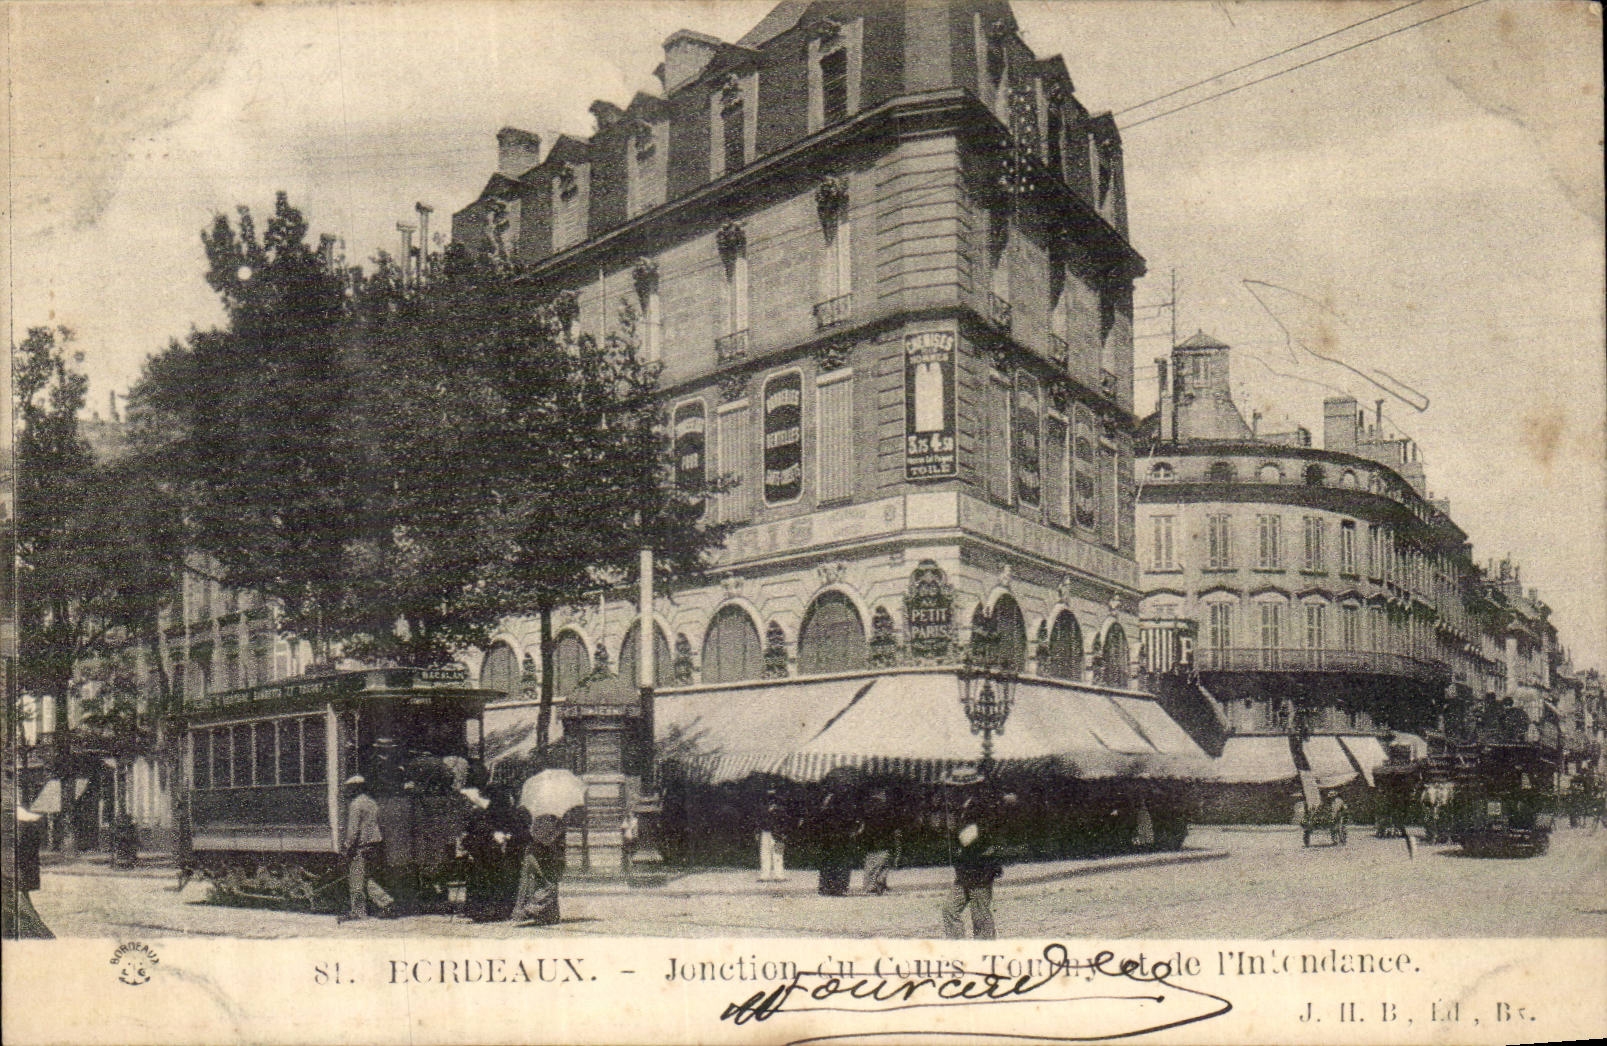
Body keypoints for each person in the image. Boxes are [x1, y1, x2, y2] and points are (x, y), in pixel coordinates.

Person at [940, 766, 1002, 939]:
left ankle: (986, 952)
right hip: (965, 871)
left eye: (956, 789)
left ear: (967, 789)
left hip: (980, 869)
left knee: (980, 915)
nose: (953, 792)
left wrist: (954, 833)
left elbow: (969, 838)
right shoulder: (962, 809)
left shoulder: (981, 807)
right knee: (949, 909)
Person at [339, 775, 386, 922]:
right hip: (375, 844)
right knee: (368, 878)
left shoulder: (355, 804)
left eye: (351, 788)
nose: (349, 790)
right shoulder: (372, 802)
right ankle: (387, 903)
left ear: (355, 788)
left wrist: (346, 846)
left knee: (356, 880)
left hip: (362, 846)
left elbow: (353, 830)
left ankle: (358, 912)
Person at [512, 813, 565, 926]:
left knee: (540, 881)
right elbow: (543, 838)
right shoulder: (547, 819)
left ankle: (545, 913)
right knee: (545, 881)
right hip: (539, 851)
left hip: (538, 851)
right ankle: (535, 910)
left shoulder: (544, 818)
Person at [860, 789, 895, 895]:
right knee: (881, 863)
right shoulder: (883, 809)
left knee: (873, 864)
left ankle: (872, 886)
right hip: (882, 840)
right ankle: (876, 886)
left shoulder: (868, 808)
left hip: (873, 841)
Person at [757, 789, 790, 883]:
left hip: (776, 833)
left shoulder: (781, 810)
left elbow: (784, 822)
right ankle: (766, 875)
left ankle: (778, 875)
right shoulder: (763, 809)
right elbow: (759, 821)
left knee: (777, 854)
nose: (771, 801)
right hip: (766, 832)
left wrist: (784, 833)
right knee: (766, 853)